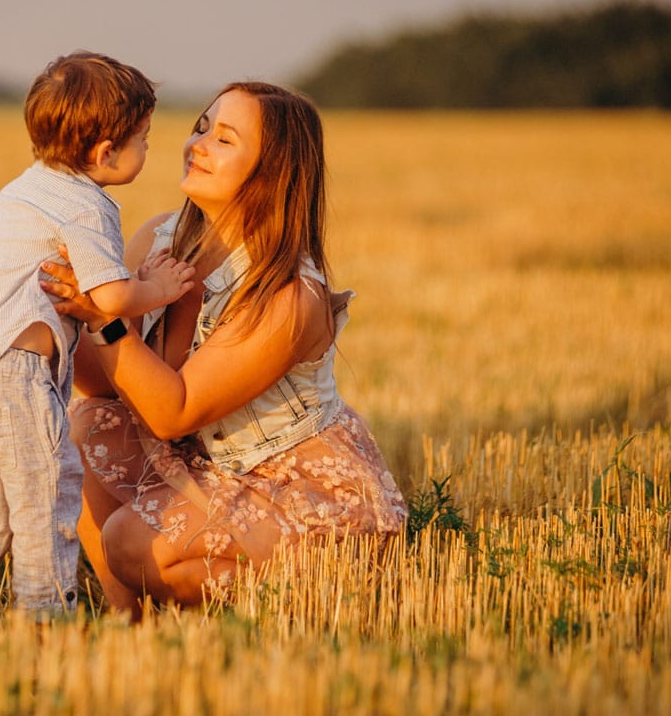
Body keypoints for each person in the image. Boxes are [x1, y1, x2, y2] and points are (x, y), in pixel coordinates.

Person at [42, 81, 406, 616]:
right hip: (207, 465)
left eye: (225, 139)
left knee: (132, 542)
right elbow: (106, 383)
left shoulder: (286, 293)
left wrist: (106, 321)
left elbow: (173, 411)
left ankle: (304, 604)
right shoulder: (162, 236)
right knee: (82, 426)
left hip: (293, 487)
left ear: (272, 171)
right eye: (201, 127)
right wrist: (66, 307)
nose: (199, 144)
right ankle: (129, 624)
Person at [0, 52, 195, 643]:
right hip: (9, 377)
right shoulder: (87, 204)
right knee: (48, 496)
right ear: (105, 153)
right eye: (144, 139)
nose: (150, 149)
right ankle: (46, 623)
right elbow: (106, 297)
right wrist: (157, 287)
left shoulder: (27, 188)